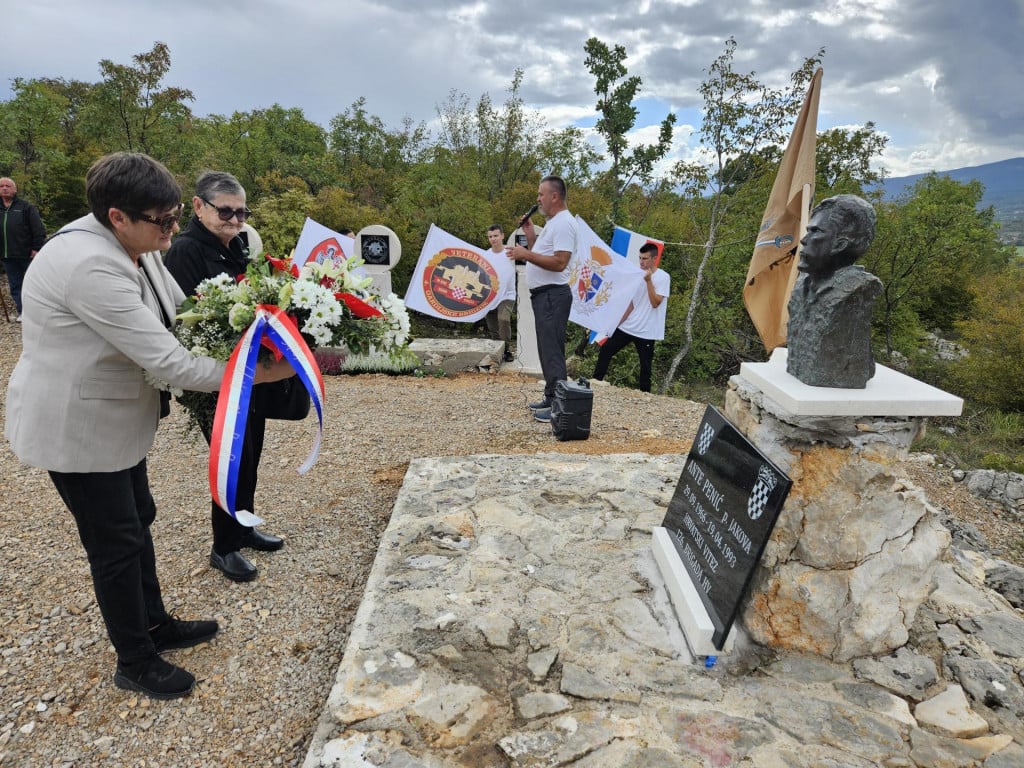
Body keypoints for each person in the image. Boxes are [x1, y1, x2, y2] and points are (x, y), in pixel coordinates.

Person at [3, 152, 294, 700]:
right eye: (163, 220)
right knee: (114, 543)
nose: (173, 228)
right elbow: (169, 361)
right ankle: (135, 659)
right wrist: (255, 372)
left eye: (176, 214)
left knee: (139, 518)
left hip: (114, 421)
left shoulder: (138, 245)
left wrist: (256, 327)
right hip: (78, 427)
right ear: (117, 216)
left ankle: (155, 622)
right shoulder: (91, 265)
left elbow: (185, 313)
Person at [165, 171, 287, 583]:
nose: (235, 220)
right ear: (199, 207)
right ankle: (224, 547)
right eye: (226, 211)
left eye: (241, 212)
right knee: (231, 462)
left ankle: (244, 526)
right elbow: (192, 320)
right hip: (214, 380)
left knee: (251, 454)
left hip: (246, 373)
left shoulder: (236, 244)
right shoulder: (184, 251)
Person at [786, 194, 882, 388]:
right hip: (800, 373)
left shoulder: (856, 290)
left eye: (816, 232)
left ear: (840, 245)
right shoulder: (802, 284)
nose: (804, 240)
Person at [506, 176, 577, 423]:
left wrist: (525, 253)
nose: (538, 199)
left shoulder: (564, 224)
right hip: (544, 296)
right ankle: (551, 396)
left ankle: (559, 406)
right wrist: (531, 237)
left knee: (553, 351)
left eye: (541, 194)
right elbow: (545, 254)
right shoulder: (554, 223)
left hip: (553, 295)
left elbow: (559, 262)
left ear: (554, 196)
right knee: (546, 350)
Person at [592, 243, 670, 392]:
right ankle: (595, 382)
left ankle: (645, 395)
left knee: (645, 366)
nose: (641, 262)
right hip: (629, 325)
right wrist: (614, 324)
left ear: (654, 258)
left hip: (646, 330)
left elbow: (656, 303)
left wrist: (648, 281)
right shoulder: (637, 274)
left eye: (645, 259)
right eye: (640, 258)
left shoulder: (663, 277)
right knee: (606, 349)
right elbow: (631, 304)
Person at [0, 177, 46, 321]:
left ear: (15, 189)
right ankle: (23, 312)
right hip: (7, 255)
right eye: (1, 186)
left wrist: (37, 247)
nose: (4, 188)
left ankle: (43, 311)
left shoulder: (26, 207)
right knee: (15, 285)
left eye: (8, 186)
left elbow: (38, 228)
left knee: (36, 283)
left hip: (27, 253)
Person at [484, 224, 515, 363]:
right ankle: (498, 350)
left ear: (502, 236)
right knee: (492, 324)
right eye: (490, 237)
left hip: (507, 294)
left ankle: (507, 349)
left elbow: (522, 266)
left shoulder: (510, 252)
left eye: (496, 236)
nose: (493, 239)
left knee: (503, 319)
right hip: (490, 295)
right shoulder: (485, 255)